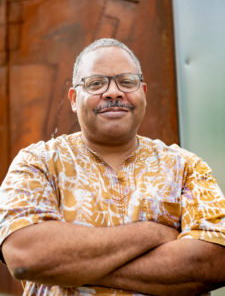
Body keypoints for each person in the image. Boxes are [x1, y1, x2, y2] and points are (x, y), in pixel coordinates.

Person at [0, 38, 225, 296]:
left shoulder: (185, 166)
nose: (113, 92)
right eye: (96, 83)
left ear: (143, 92)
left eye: (126, 82)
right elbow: (26, 255)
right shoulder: (37, 162)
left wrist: (70, 266)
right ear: (74, 99)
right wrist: (151, 233)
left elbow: (214, 261)